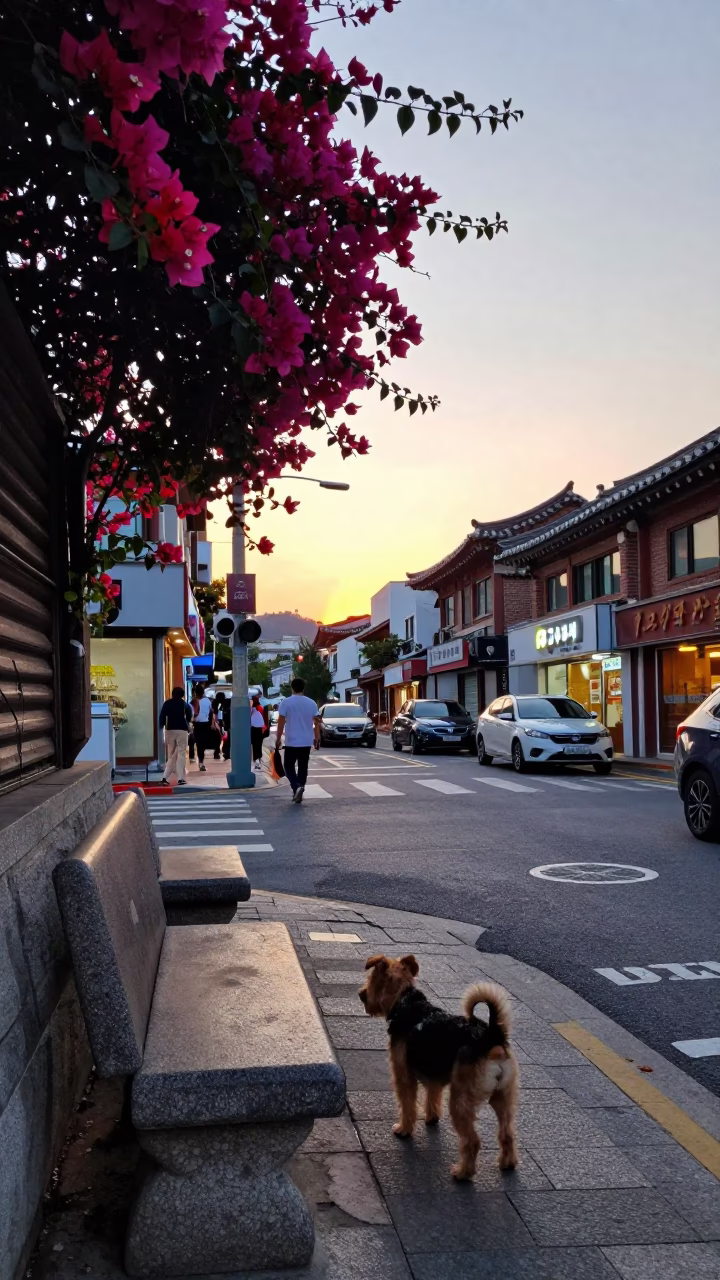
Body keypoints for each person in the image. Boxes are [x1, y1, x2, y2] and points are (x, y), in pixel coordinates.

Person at [276, 677, 320, 803]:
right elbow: (316, 722)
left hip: (291, 741)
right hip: (306, 741)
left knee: (288, 766)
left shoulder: (286, 702)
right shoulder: (311, 703)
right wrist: (317, 738)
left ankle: (296, 787)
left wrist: (278, 738)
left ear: (292, 687)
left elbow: (281, 722)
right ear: (303, 688)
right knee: (303, 766)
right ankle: (300, 786)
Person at [159, 686, 193, 785]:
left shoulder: (167, 703)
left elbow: (162, 717)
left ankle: (165, 778)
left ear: (172, 694)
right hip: (182, 730)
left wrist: (162, 727)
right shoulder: (184, 704)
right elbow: (189, 716)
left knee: (171, 755)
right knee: (181, 754)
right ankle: (180, 778)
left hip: (169, 730)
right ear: (182, 695)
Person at [192, 684, 216, 771]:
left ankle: (201, 762)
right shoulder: (207, 701)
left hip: (197, 725)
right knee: (202, 744)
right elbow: (211, 712)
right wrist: (211, 723)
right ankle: (201, 762)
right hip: (206, 725)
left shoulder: (193, 701)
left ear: (195, 692)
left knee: (199, 744)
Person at [250, 695, 266, 771]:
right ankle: (258, 760)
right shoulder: (258, 710)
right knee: (258, 745)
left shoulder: (255, 710)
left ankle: (257, 760)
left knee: (256, 746)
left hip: (254, 729)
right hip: (257, 729)